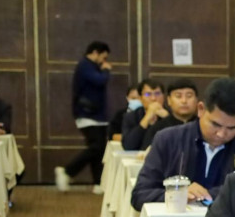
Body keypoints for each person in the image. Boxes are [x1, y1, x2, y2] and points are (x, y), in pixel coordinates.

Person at [130, 77, 235, 211]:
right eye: (215, 124)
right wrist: (178, 195)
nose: (221, 134)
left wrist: (206, 195)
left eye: (232, 128)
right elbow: (140, 195)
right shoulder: (168, 139)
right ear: (201, 109)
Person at [56, 41, 112, 194]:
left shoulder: (91, 66)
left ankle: (98, 183)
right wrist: (106, 70)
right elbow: (99, 81)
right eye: (103, 57)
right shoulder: (85, 66)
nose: (104, 61)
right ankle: (67, 171)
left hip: (97, 115)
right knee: (96, 147)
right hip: (88, 114)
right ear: (95, 52)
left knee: (99, 150)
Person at [141, 78, 199, 149]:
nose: (184, 101)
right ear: (169, 100)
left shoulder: (203, 126)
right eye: (178, 96)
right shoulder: (158, 129)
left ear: (196, 100)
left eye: (189, 96)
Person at [121, 78, 166, 150]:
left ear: (163, 97)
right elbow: (128, 146)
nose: (153, 98)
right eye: (148, 94)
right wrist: (146, 118)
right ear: (140, 98)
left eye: (157, 93)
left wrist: (168, 118)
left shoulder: (172, 115)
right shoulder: (130, 117)